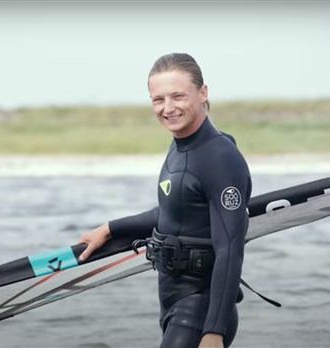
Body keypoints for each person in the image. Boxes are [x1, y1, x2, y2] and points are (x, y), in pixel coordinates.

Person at [78, 53, 251, 348]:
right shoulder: (181, 145)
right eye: (158, 99)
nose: (167, 108)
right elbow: (176, 212)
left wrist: (215, 331)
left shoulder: (220, 158)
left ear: (202, 93)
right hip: (173, 298)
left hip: (201, 305)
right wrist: (110, 228)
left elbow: (230, 248)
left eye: (178, 96)